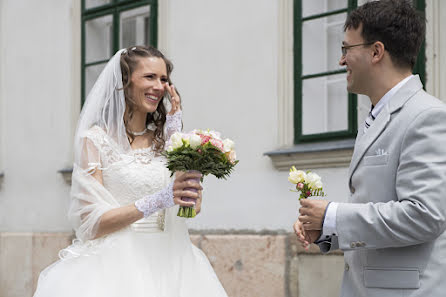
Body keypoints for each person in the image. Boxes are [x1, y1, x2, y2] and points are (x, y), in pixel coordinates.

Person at [33, 46, 228, 297]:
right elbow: (91, 224)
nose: (159, 86)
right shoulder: (94, 141)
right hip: (115, 268)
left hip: (174, 263)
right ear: (125, 81)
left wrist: (179, 148)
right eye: (150, 77)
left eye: (164, 79)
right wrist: (158, 199)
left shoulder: (167, 140)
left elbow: (190, 210)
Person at [294, 1, 446, 296]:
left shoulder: (427, 116)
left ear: (376, 52)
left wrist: (333, 215)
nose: (341, 61)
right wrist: (326, 230)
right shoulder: (377, 115)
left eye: (346, 49)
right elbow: (375, 206)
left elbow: (425, 216)